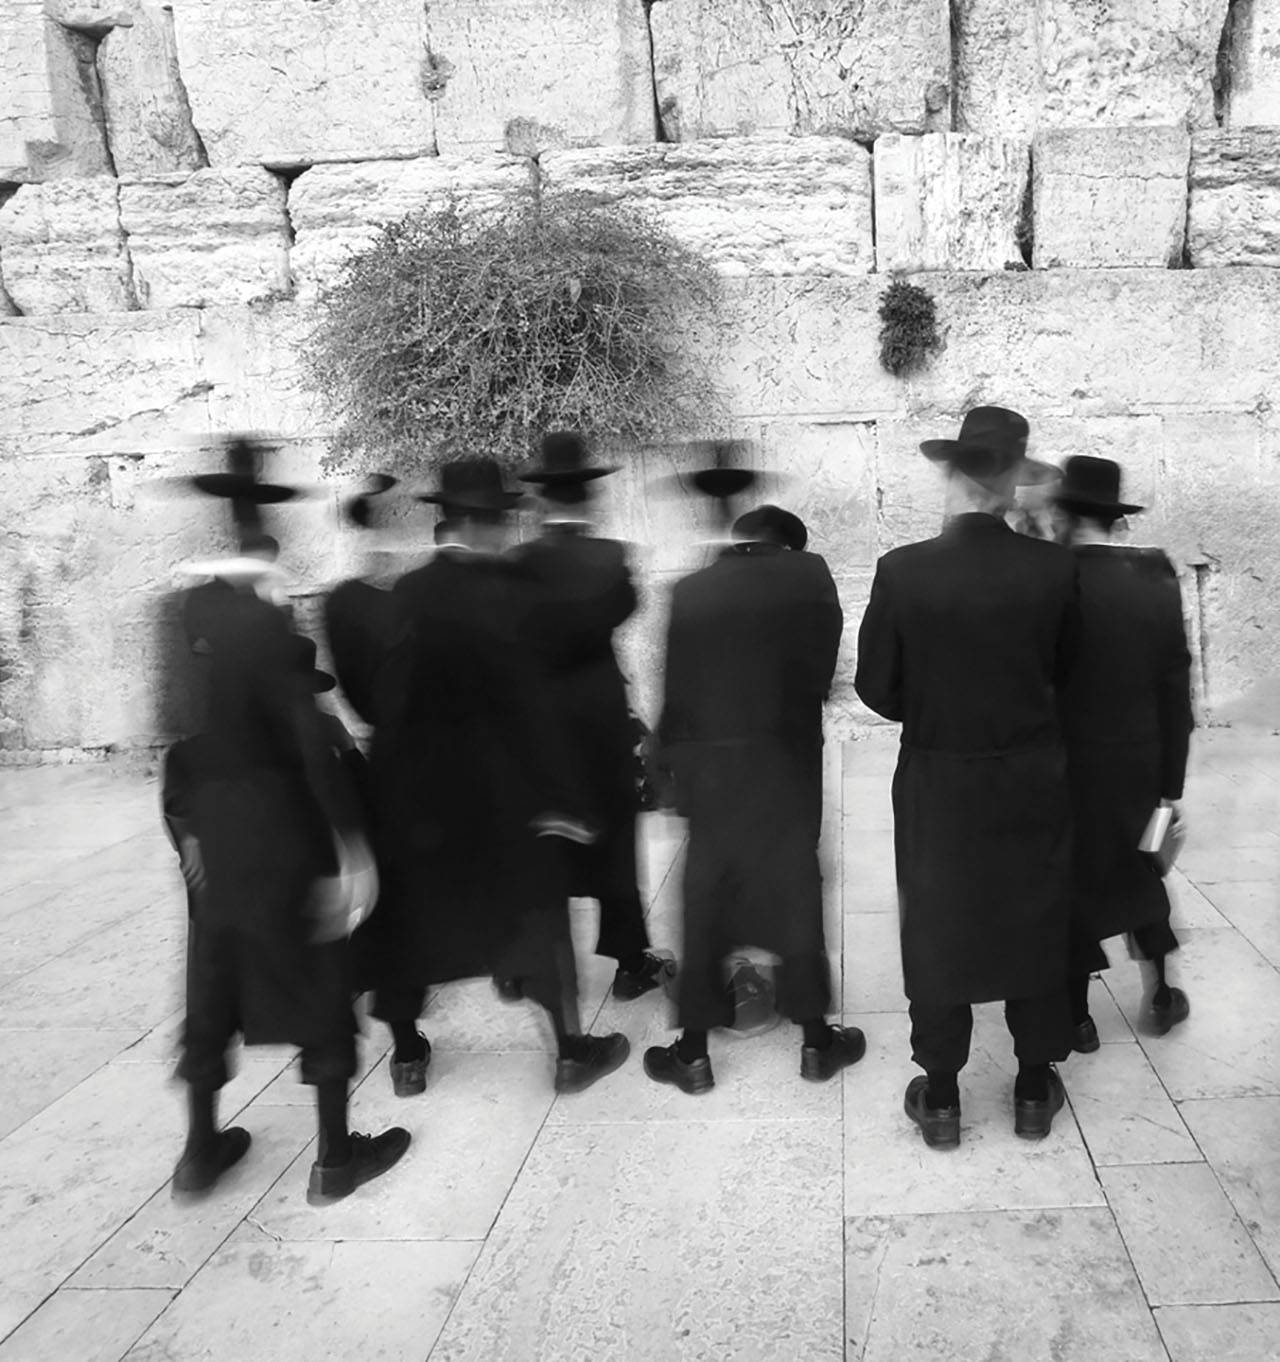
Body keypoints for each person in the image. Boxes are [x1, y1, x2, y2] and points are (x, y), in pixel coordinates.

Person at [358, 457, 630, 1095]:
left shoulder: (406, 594)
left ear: (448, 521)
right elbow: (537, 709)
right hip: (504, 795)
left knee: (408, 922)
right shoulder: (514, 595)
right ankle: (570, 1052)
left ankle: (407, 1057)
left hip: (422, 798)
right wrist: (566, 798)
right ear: (491, 523)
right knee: (538, 917)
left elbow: (384, 703)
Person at [855, 406, 1081, 1149]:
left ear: (951, 476)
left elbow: (876, 687)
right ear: (1014, 483)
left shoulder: (902, 570)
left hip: (938, 778)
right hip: (1032, 774)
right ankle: (1033, 1087)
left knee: (938, 923)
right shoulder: (1055, 569)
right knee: (1034, 916)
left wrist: (935, 711)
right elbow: (1072, 676)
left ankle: (944, 1097)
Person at [165, 560, 409, 1206]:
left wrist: (187, 833)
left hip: (215, 835)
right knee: (319, 984)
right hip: (284, 832)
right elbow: (308, 743)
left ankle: (199, 1152)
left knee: (212, 983)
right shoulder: (265, 633)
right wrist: (352, 847)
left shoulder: (190, 635)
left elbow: (178, 759)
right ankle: (335, 1159)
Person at [644, 488, 861, 1094]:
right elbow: (821, 676)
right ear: (789, 547)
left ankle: (693, 1054)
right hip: (785, 765)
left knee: (706, 897)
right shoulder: (810, 577)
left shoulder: (692, 589)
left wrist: (666, 773)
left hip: (711, 772)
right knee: (795, 888)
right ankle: (816, 1042)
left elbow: (675, 695)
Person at [511, 431, 675, 1001]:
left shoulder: (519, 565)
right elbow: (626, 607)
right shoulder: (610, 557)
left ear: (541, 499)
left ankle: (526, 964)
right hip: (600, 723)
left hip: (539, 726)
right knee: (614, 840)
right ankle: (630, 963)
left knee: (543, 841)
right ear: (588, 495)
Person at [1050, 456, 1195, 1047]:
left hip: (1065, 764)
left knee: (1071, 879)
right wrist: (1170, 785)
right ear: (1114, 518)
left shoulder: (1050, 580)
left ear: (1063, 514)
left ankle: (1077, 1017)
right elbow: (1175, 689)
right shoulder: (1154, 577)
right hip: (1138, 761)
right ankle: (1160, 992)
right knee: (1142, 871)